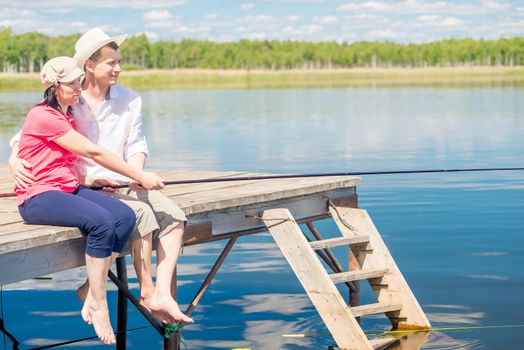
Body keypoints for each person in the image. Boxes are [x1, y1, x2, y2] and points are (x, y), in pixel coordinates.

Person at [9, 28, 193, 325]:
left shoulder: (129, 99)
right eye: (111, 62)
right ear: (89, 66)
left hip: (125, 179)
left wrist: (138, 173)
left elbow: (136, 142)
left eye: (119, 61)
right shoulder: (69, 101)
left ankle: (161, 292)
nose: (118, 68)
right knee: (139, 216)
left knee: (174, 216)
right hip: (87, 185)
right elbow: (27, 137)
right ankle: (140, 290)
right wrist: (14, 159)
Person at [15, 56, 165, 344]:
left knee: (124, 216)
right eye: (73, 84)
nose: (79, 88)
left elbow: (56, 163)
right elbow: (94, 153)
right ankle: (99, 300)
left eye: (79, 82)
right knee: (101, 223)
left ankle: (89, 288)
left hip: (67, 188)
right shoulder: (43, 115)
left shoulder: (65, 114)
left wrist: (89, 181)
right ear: (56, 87)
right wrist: (139, 174)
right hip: (38, 197)